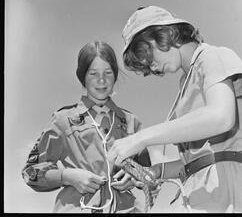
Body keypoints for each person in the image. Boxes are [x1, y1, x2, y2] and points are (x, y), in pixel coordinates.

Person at [107, 6, 242, 213]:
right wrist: (154, 171)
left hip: (227, 192)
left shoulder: (214, 56)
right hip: (199, 192)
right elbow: (196, 162)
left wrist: (138, 139)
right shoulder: (186, 83)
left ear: (165, 34)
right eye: (145, 65)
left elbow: (221, 117)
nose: (152, 68)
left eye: (147, 56)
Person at [21, 41, 154, 213]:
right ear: (83, 76)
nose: (101, 80)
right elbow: (30, 171)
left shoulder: (131, 122)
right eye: (93, 73)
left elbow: (149, 174)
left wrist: (134, 178)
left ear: (115, 76)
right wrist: (67, 176)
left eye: (108, 72)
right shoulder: (63, 120)